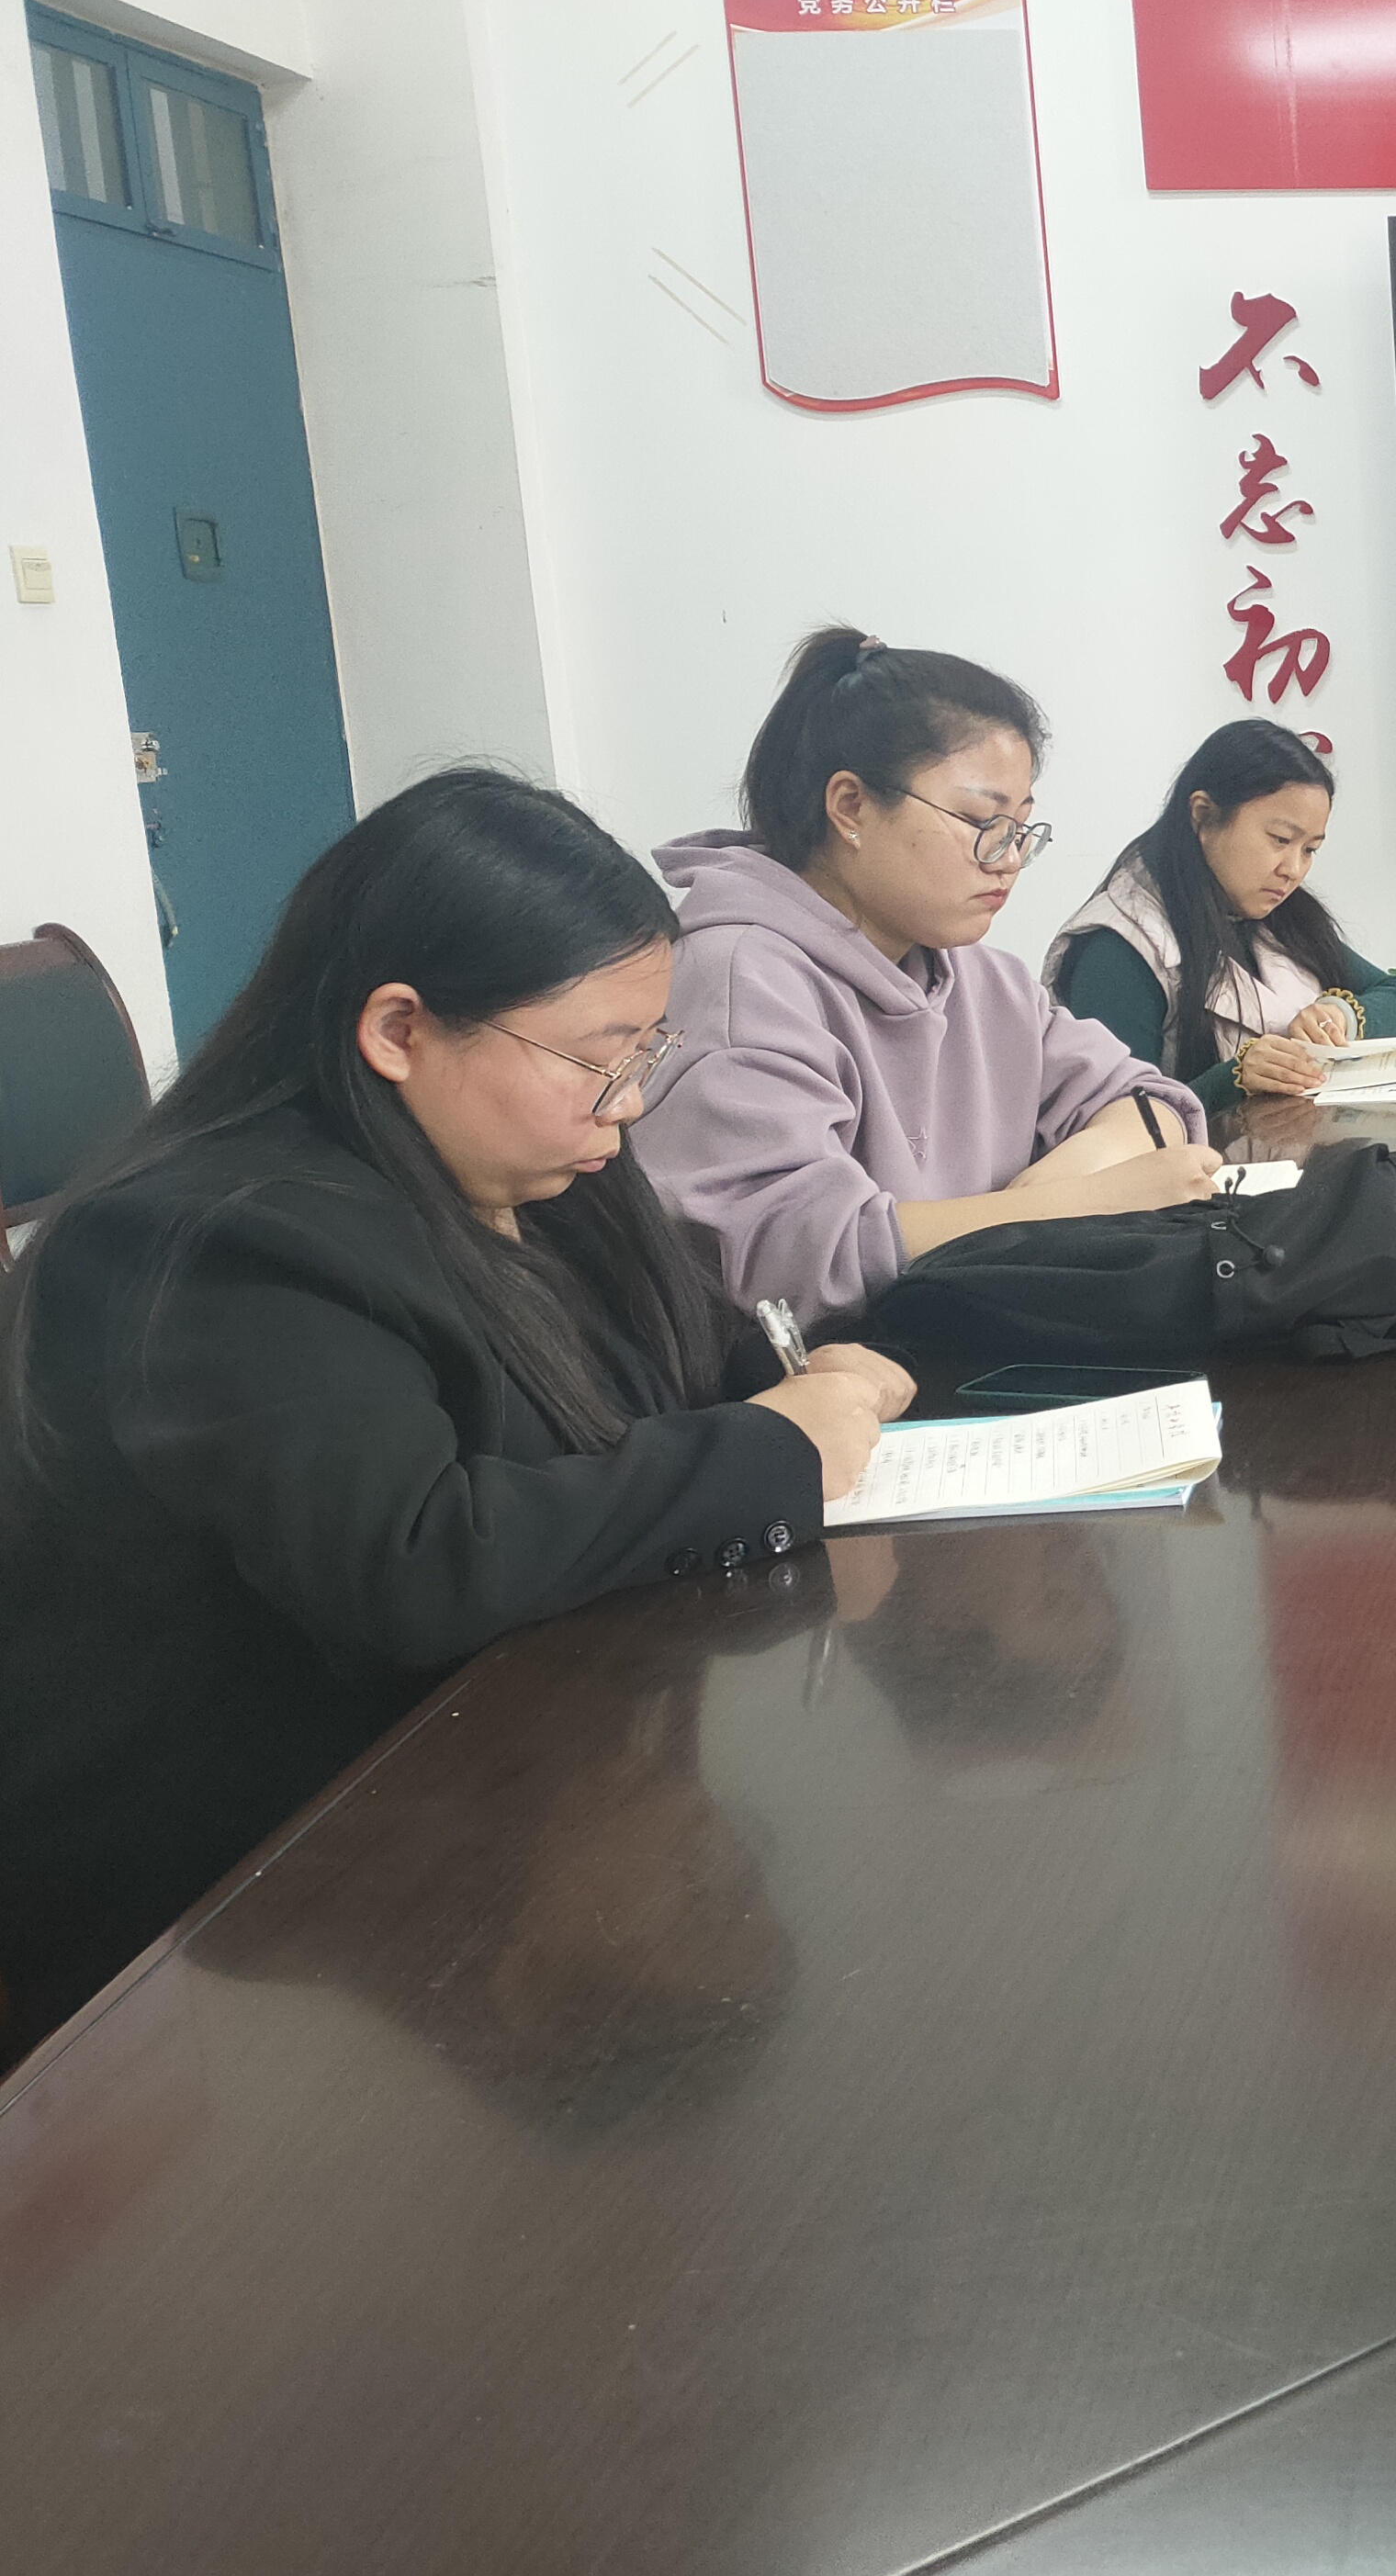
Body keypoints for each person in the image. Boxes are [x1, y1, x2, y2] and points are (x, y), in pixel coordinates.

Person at [0, 771, 908, 2063]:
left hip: (480, 1757)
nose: (629, 1102)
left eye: (645, 1053)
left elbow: (694, 1363)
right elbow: (418, 1561)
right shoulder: (219, 1246)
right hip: (216, 1893)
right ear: (398, 1030)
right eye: (598, 1057)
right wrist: (776, 1446)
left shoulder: (539, 1168)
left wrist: (798, 1383)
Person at [632, 627, 1222, 1319]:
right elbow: (789, 1260)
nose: (1008, 859)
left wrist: (1043, 1196)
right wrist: (1075, 1205)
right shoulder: (742, 979)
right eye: (981, 821)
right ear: (850, 806)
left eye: (1021, 830)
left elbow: (1148, 1102)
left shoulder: (977, 975)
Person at [1044, 719, 1396, 1109]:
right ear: (1203, 816)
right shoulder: (1119, 949)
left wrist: (1340, 1015)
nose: (1293, 869)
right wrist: (1234, 1078)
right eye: (1280, 840)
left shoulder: (1278, 913)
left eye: (1310, 849)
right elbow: (1121, 1117)